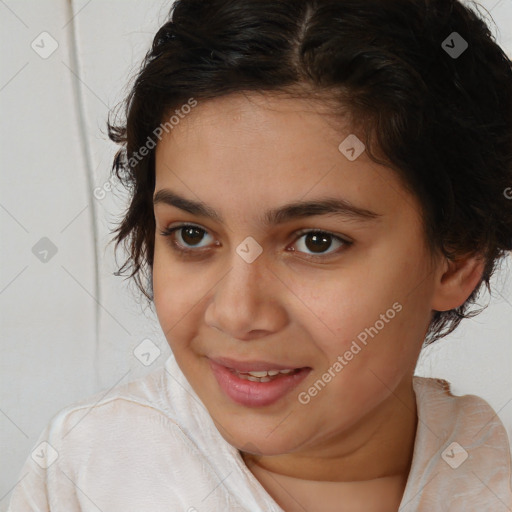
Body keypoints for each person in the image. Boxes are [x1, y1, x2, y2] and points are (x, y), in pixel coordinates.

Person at [8, 0, 512, 510]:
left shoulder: (491, 477)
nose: (237, 313)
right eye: (191, 235)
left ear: (457, 257)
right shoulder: (87, 475)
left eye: (317, 241)